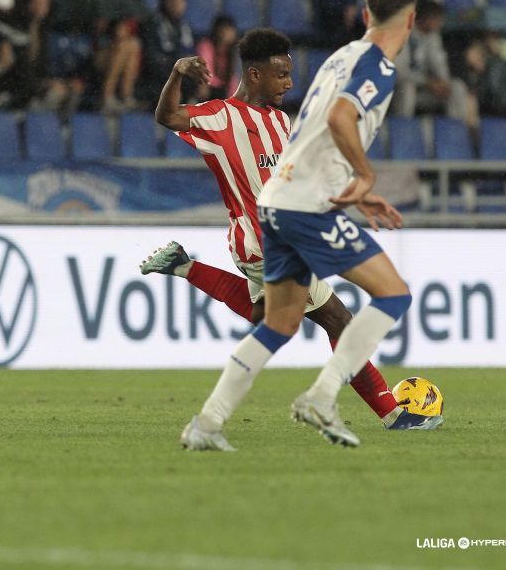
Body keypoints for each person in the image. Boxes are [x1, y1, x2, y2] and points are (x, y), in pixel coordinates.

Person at [145, 28, 434, 451]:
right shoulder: (222, 116)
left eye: (290, 74)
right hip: (266, 242)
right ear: (256, 75)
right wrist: (176, 74)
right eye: (281, 75)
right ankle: (390, 413)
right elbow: (167, 117)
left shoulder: (281, 121)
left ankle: (183, 266)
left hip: (275, 240)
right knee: (337, 318)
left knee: (270, 322)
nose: (289, 84)